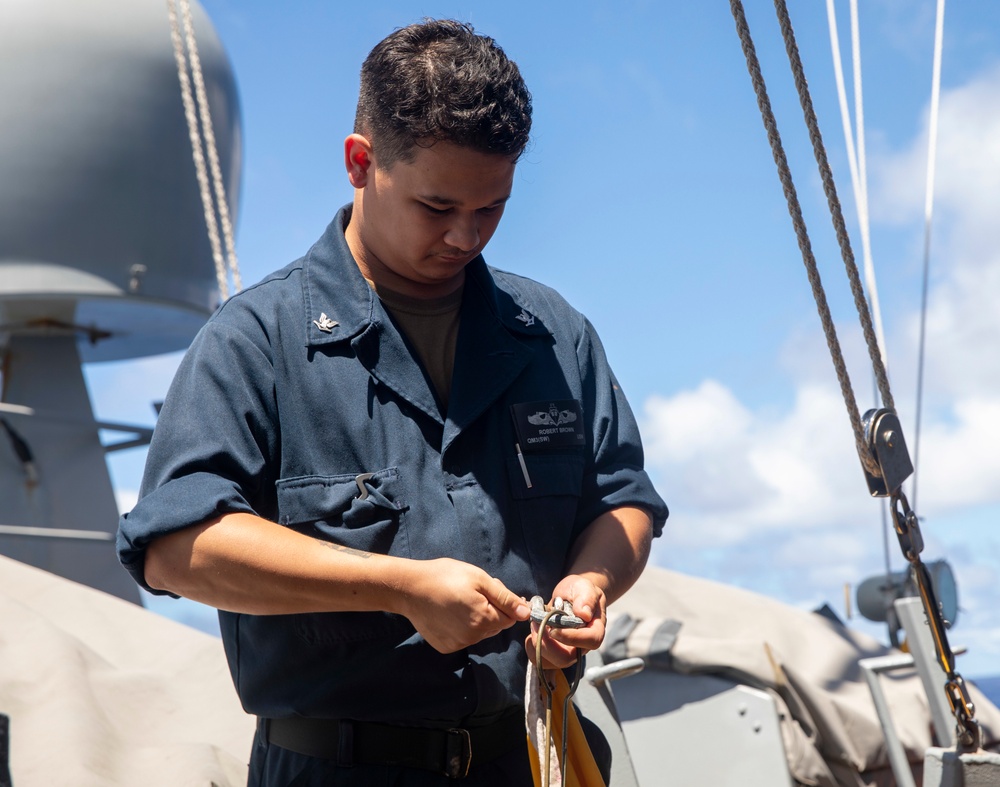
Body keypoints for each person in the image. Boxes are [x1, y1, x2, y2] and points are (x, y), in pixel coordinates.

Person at [117, 18, 667, 787]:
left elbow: (624, 499)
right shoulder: (257, 340)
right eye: (437, 207)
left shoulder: (552, 335)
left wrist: (592, 581)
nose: (466, 236)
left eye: (492, 208)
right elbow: (176, 548)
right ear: (360, 162)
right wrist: (399, 589)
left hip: (529, 758)